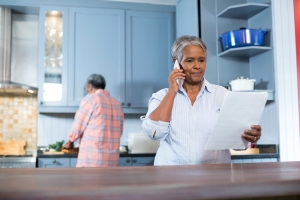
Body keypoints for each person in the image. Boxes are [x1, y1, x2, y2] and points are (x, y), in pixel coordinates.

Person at [141, 35, 262, 166]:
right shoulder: (161, 96)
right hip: (172, 179)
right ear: (177, 62)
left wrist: (249, 136)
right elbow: (155, 133)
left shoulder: (222, 94)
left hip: (214, 178)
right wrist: (172, 92)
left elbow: (238, 145)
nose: (197, 66)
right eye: (190, 60)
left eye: (201, 60)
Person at [63, 74, 124, 167]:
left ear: (90, 86)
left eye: (85, 88)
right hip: (112, 161)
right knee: (110, 182)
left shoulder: (90, 99)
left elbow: (78, 125)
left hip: (93, 160)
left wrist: (70, 142)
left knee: (87, 182)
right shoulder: (117, 104)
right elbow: (119, 132)